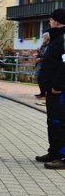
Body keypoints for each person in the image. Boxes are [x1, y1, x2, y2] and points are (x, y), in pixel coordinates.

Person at [35, 9, 65, 169]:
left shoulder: (63, 39)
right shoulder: (56, 38)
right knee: (53, 122)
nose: (49, 21)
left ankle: (63, 156)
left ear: (57, 21)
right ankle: (54, 151)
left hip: (59, 90)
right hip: (51, 89)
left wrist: (57, 86)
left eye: (51, 19)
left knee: (61, 122)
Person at [35, 32, 50, 101]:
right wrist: (38, 52)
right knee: (39, 78)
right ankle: (42, 93)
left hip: (44, 64)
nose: (42, 39)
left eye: (43, 38)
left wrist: (40, 58)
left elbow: (47, 56)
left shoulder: (48, 45)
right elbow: (42, 54)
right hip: (40, 64)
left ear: (47, 38)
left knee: (42, 79)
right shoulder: (43, 45)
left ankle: (44, 94)